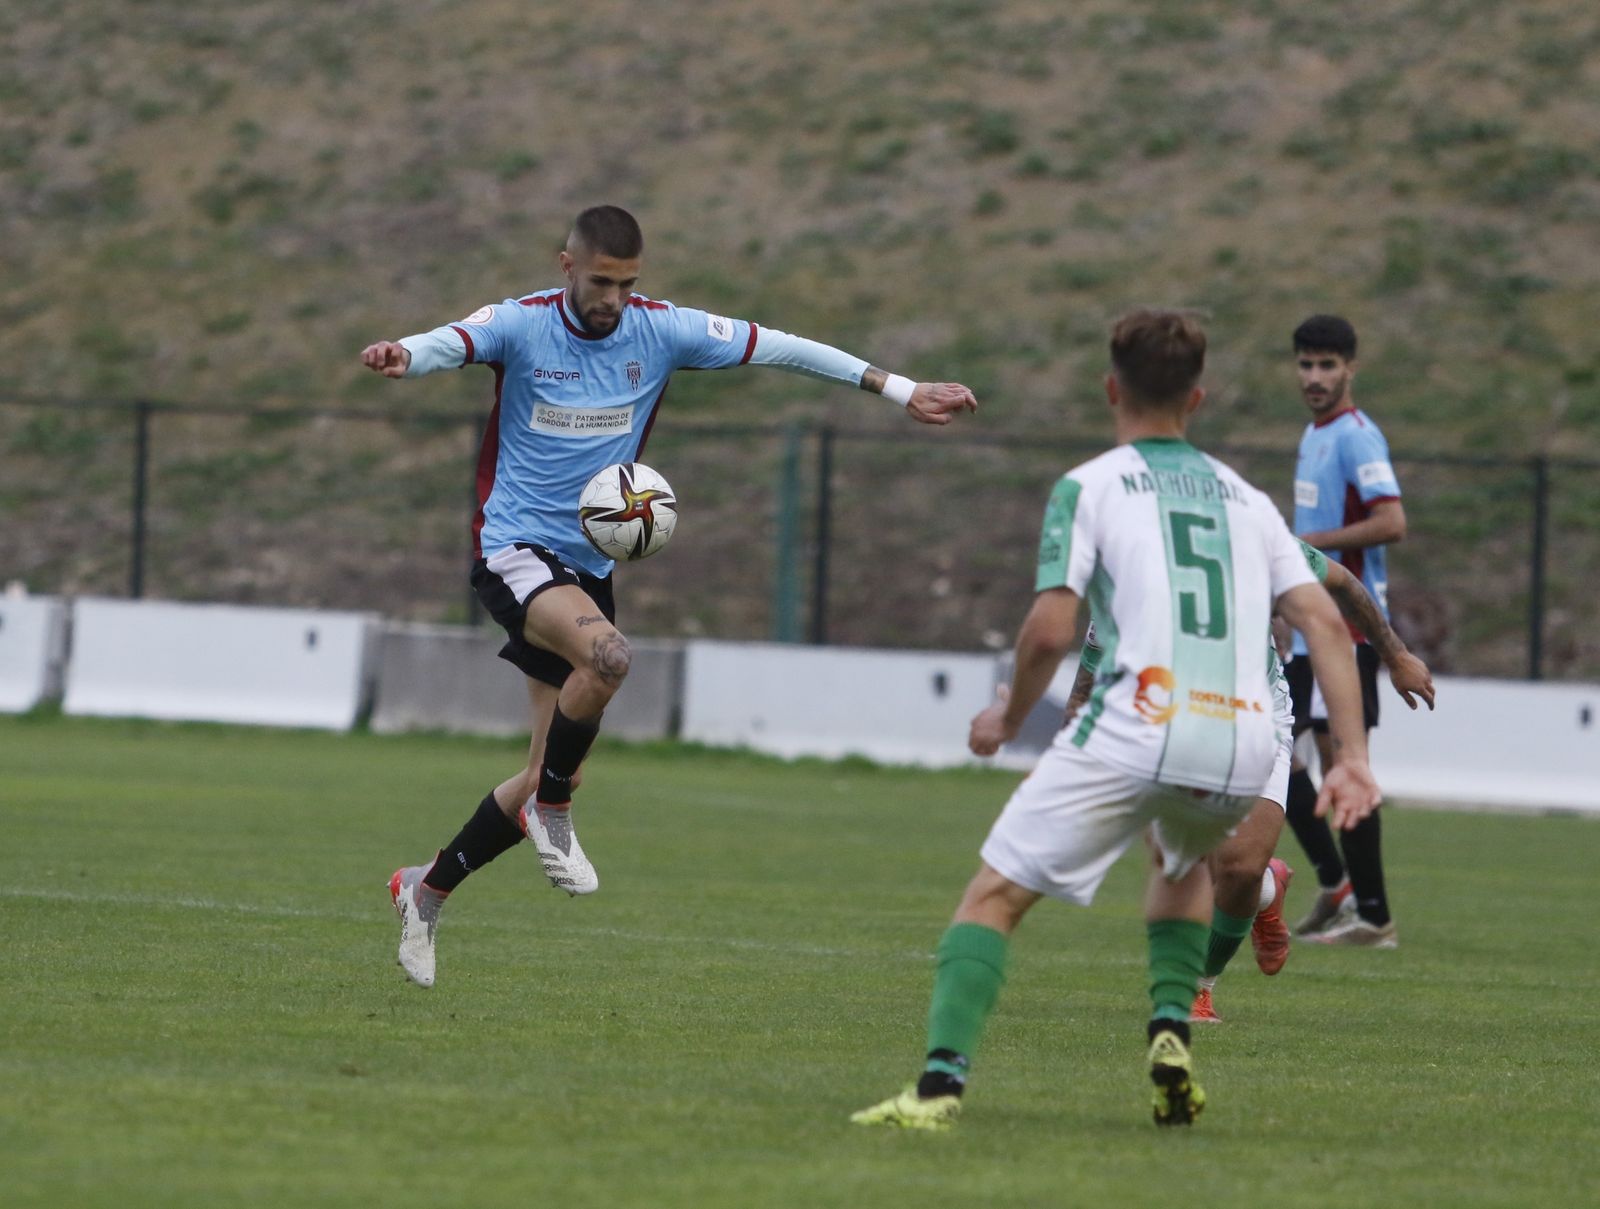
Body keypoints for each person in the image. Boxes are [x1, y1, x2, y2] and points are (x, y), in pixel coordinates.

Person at [360, 205, 978, 989]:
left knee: (557, 759)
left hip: (586, 566)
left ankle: (428, 887)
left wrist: (900, 388)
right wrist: (402, 355)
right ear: (566, 266)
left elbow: (781, 346)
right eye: (600, 281)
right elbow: (453, 340)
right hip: (513, 548)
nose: (614, 298)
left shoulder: (662, 331)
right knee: (609, 657)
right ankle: (552, 812)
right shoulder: (522, 325)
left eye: (627, 284)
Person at [850, 310, 1381, 1132]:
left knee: (993, 895)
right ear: (1197, 399)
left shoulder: (1091, 485)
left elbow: (1053, 628)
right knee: (1178, 872)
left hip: (1140, 719)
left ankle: (937, 1089)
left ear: (1111, 389)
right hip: (1243, 739)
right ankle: (1171, 1030)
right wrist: (1352, 757)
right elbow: (1321, 619)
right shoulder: (1247, 500)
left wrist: (1007, 712)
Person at [1063, 541, 1435, 1024]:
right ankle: (1267, 887)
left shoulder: (1247, 530)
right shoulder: (1125, 565)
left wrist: (1397, 655)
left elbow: (1341, 583)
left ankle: (1200, 987)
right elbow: (1088, 675)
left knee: (1234, 870)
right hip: (1168, 727)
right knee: (1190, 866)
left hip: (1255, 718)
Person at [1283, 315, 1407, 947]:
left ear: (1350, 368)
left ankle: (1374, 914)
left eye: (1327, 365)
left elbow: (1391, 522)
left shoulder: (1358, 438)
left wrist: (1309, 547)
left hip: (1349, 630)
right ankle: (1336, 882)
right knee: (1273, 752)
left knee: (1341, 764)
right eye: (1306, 364)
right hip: (1309, 627)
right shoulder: (1315, 434)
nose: (1314, 377)